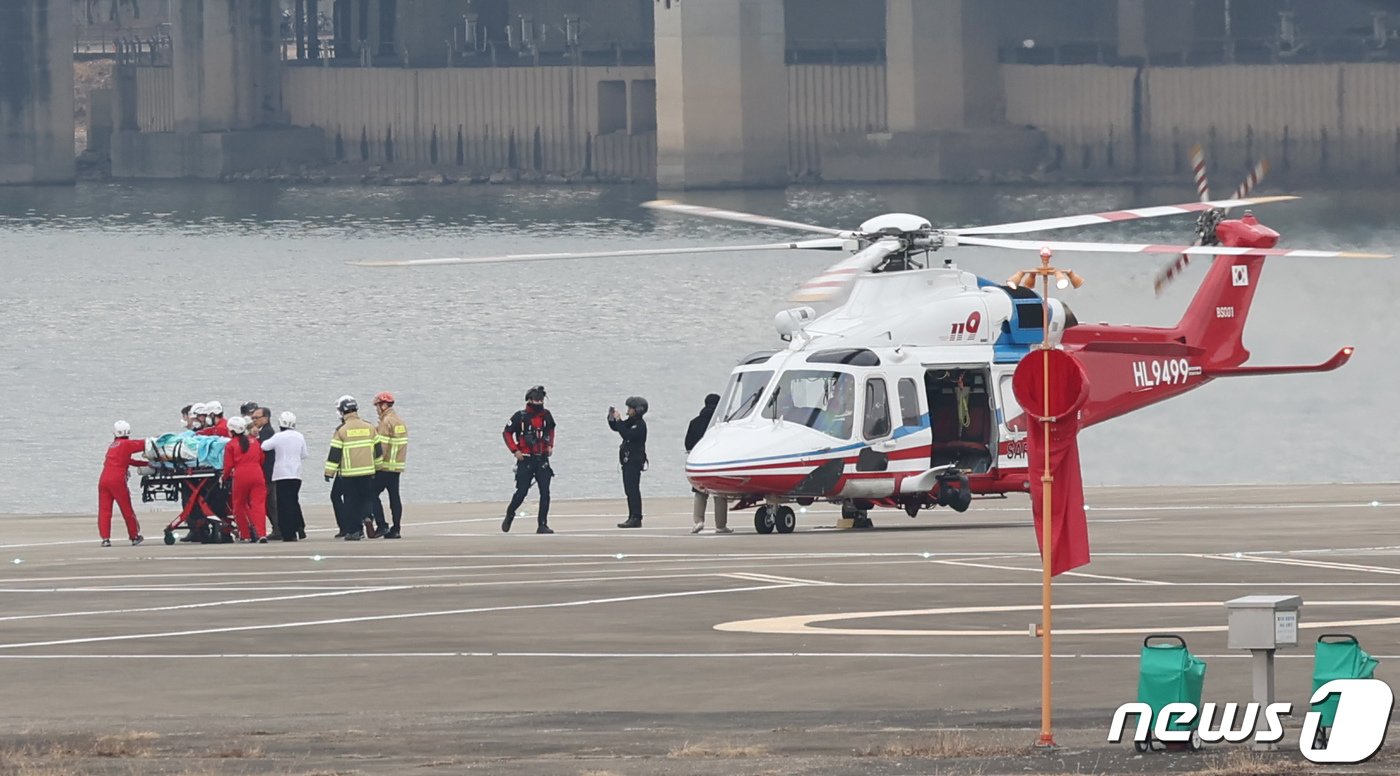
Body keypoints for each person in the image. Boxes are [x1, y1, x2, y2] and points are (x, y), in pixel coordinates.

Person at [324, 395, 382, 541]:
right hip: (368, 471)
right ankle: (368, 517)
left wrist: (329, 472)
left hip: (349, 473)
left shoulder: (342, 430)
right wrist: (378, 467)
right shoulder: (369, 427)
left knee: (351, 502)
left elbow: (335, 453)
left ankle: (354, 531)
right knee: (366, 498)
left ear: (343, 412)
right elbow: (378, 449)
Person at [502, 385, 556, 534]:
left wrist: (550, 445)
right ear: (530, 400)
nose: (539, 403)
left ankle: (542, 524)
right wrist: (515, 450)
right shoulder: (520, 416)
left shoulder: (547, 416)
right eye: (536, 400)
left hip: (542, 459)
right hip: (525, 459)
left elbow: (551, 430)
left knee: (545, 492)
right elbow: (507, 433)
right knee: (522, 492)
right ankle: (510, 514)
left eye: (541, 400)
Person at [686, 393, 730, 534]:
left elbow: (688, 444)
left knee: (700, 493)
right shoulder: (722, 423)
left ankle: (699, 521)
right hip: (718, 462)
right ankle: (720, 525)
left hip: (700, 461)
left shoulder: (694, 422)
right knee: (720, 494)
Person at [98, 420, 146, 547]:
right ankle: (134, 536)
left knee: (104, 510)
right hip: (117, 481)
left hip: (103, 479)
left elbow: (127, 460)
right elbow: (145, 444)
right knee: (126, 509)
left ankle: (105, 538)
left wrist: (143, 463)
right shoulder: (127, 444)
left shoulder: (112, 446)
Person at [262, 411, 308, 541]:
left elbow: (264, 446)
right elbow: (304, 454)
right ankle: (300, 526)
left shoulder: (278, 437)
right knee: (293, 501)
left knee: (283, 504)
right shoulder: (299, 436)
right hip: (296, 473)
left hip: (281, 474)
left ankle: (289, 533)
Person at [222, 416, 267, 543]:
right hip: (257, 473)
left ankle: (245, 534)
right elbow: (262, 458)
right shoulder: (254, 442)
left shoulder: (231, 445)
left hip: (241, 475)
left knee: (239, 505)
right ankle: (261, 533)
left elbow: (228, 466)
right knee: (258, 505)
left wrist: (224, 477)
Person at [370, 391, 408, 539]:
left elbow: (382, 447)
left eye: (377, 406)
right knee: (394, 497)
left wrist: (375, 465)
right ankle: (396, 528)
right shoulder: (400, 421)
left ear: (384, 405)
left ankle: (382, 525)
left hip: (385, 467)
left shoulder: (386, 422)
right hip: (397, 467)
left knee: (371, 494)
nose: (377, 409)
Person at [609, 396, 648, 528]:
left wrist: (619, 420)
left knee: (633, 489)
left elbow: (626, 434)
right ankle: (632, 515)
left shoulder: (640, 425)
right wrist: (612, 419)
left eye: (630, 408)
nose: (628, 410)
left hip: (634, 461)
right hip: (627, 461)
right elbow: (618, 428)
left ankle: (636, 517)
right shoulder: (631, 422)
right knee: (629, 489)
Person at [249, 406, 281, 540]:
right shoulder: (263, 432)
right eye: (253, 418)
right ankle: (277, 528)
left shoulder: (267, 433)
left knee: (269, 503)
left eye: (257, 418)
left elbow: (261, 450)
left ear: (266, 418)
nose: (254, 420)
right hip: (267, 473)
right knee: (269, 503)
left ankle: (277, 528)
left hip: (267, 473)